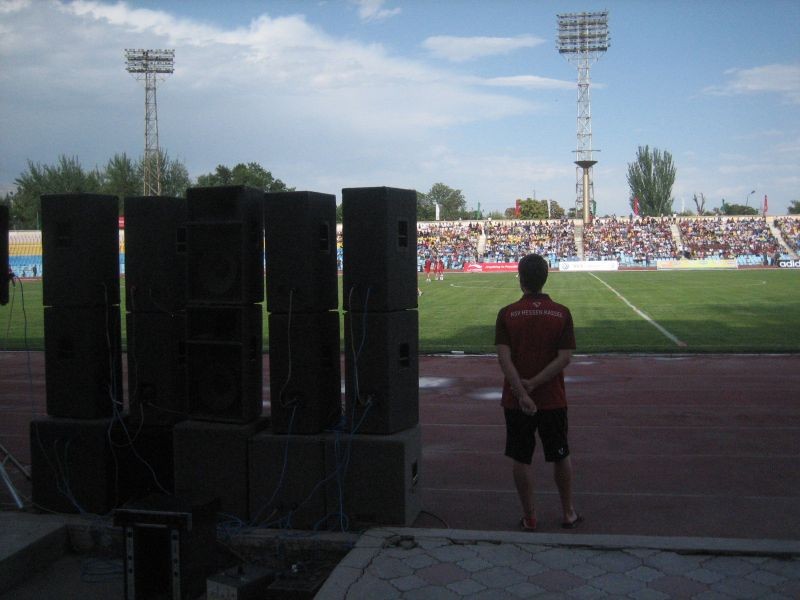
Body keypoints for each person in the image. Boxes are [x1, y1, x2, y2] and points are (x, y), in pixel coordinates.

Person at [494, 253, 581, 531]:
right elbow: (565, 358)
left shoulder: (507, 313)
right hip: (552, 397)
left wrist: (522, 391)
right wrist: (535, 384)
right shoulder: (561, 313)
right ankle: (568, 513)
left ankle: (530, 516)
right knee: (560, 454)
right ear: (545, 278)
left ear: (520, 279)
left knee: (521, 457)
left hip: (516, 400)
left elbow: (504, 359)